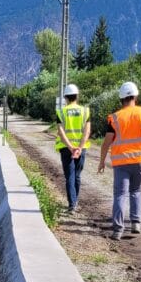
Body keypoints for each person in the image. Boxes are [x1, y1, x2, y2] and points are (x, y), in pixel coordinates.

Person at [97, 81, 141, 240]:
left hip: (121, 163)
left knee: (120, 195)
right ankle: (136, 223)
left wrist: (102, 161)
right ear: (135, 96)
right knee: (136, 191)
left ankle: (118, 230)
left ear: (121, 98)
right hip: (139, 161)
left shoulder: (115, 118)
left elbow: (106, 143)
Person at [55, 83, 91, 214]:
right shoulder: (85, 111)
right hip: (81, 149)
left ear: (65, 97)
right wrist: (79, 148)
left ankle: (72, 205)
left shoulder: (61, 112)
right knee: (77, 176)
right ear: (77, 96)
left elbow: (60, 132)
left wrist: (70, 147)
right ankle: (75, 201)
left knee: (69, 176)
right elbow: (87, 131)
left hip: (66, 148)